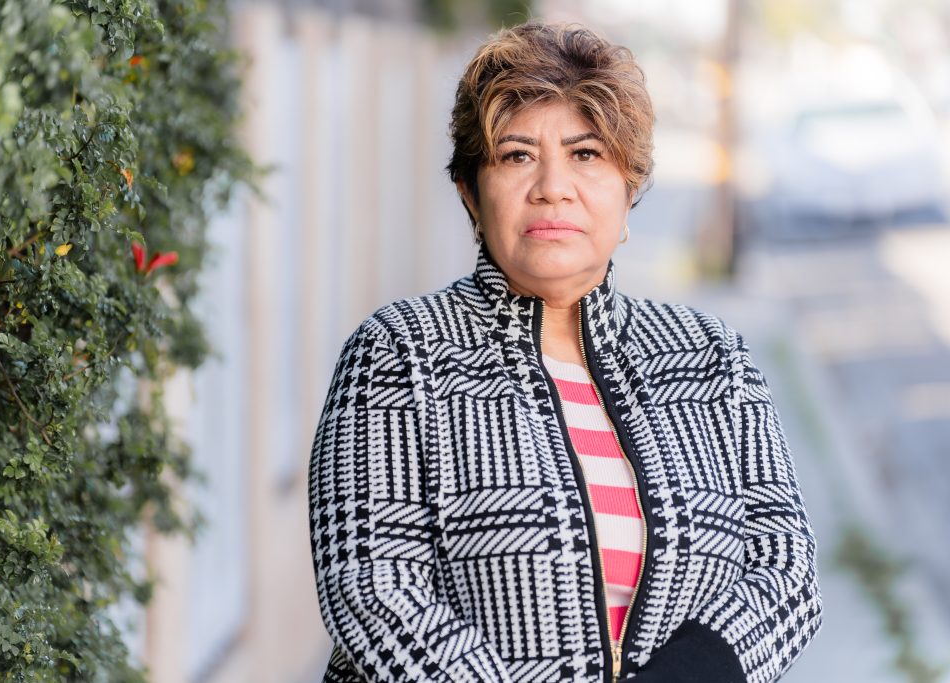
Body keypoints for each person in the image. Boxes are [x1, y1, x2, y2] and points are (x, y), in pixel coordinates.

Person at [309, 20, 822, 683]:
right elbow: (374, 591)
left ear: (629, 186)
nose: (553, 185)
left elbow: (784, 569)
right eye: (516, 155)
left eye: (585, 154)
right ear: (471, 191)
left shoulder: (713, 357)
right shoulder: (399, 356)